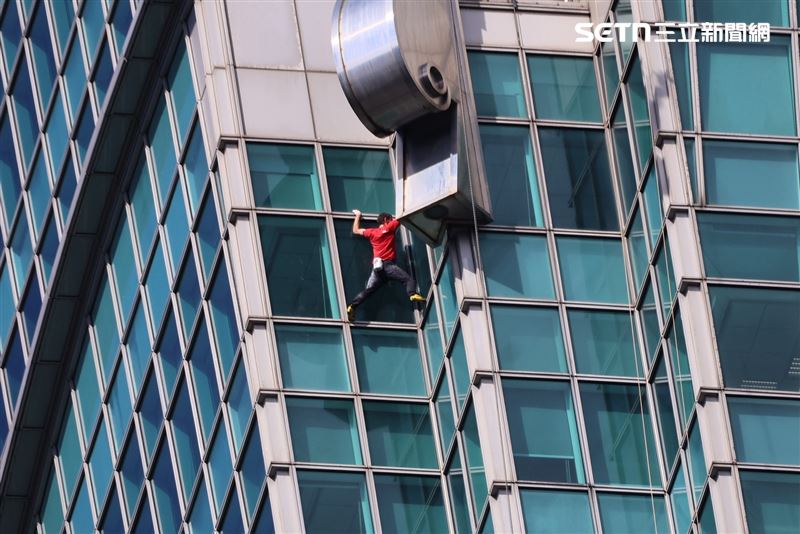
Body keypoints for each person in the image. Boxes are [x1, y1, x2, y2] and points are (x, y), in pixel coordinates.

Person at [347, 209, 425, 321]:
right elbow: (403, 215)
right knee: (408, 280)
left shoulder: (371, 232)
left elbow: (355, 230)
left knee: (369, 291)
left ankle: (352, 306)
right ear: (386, 220)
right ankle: (412, 294)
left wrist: (358, 216)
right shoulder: (389, 227)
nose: (393, 221)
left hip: (377, 270)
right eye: (391, 219)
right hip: (388, 266)